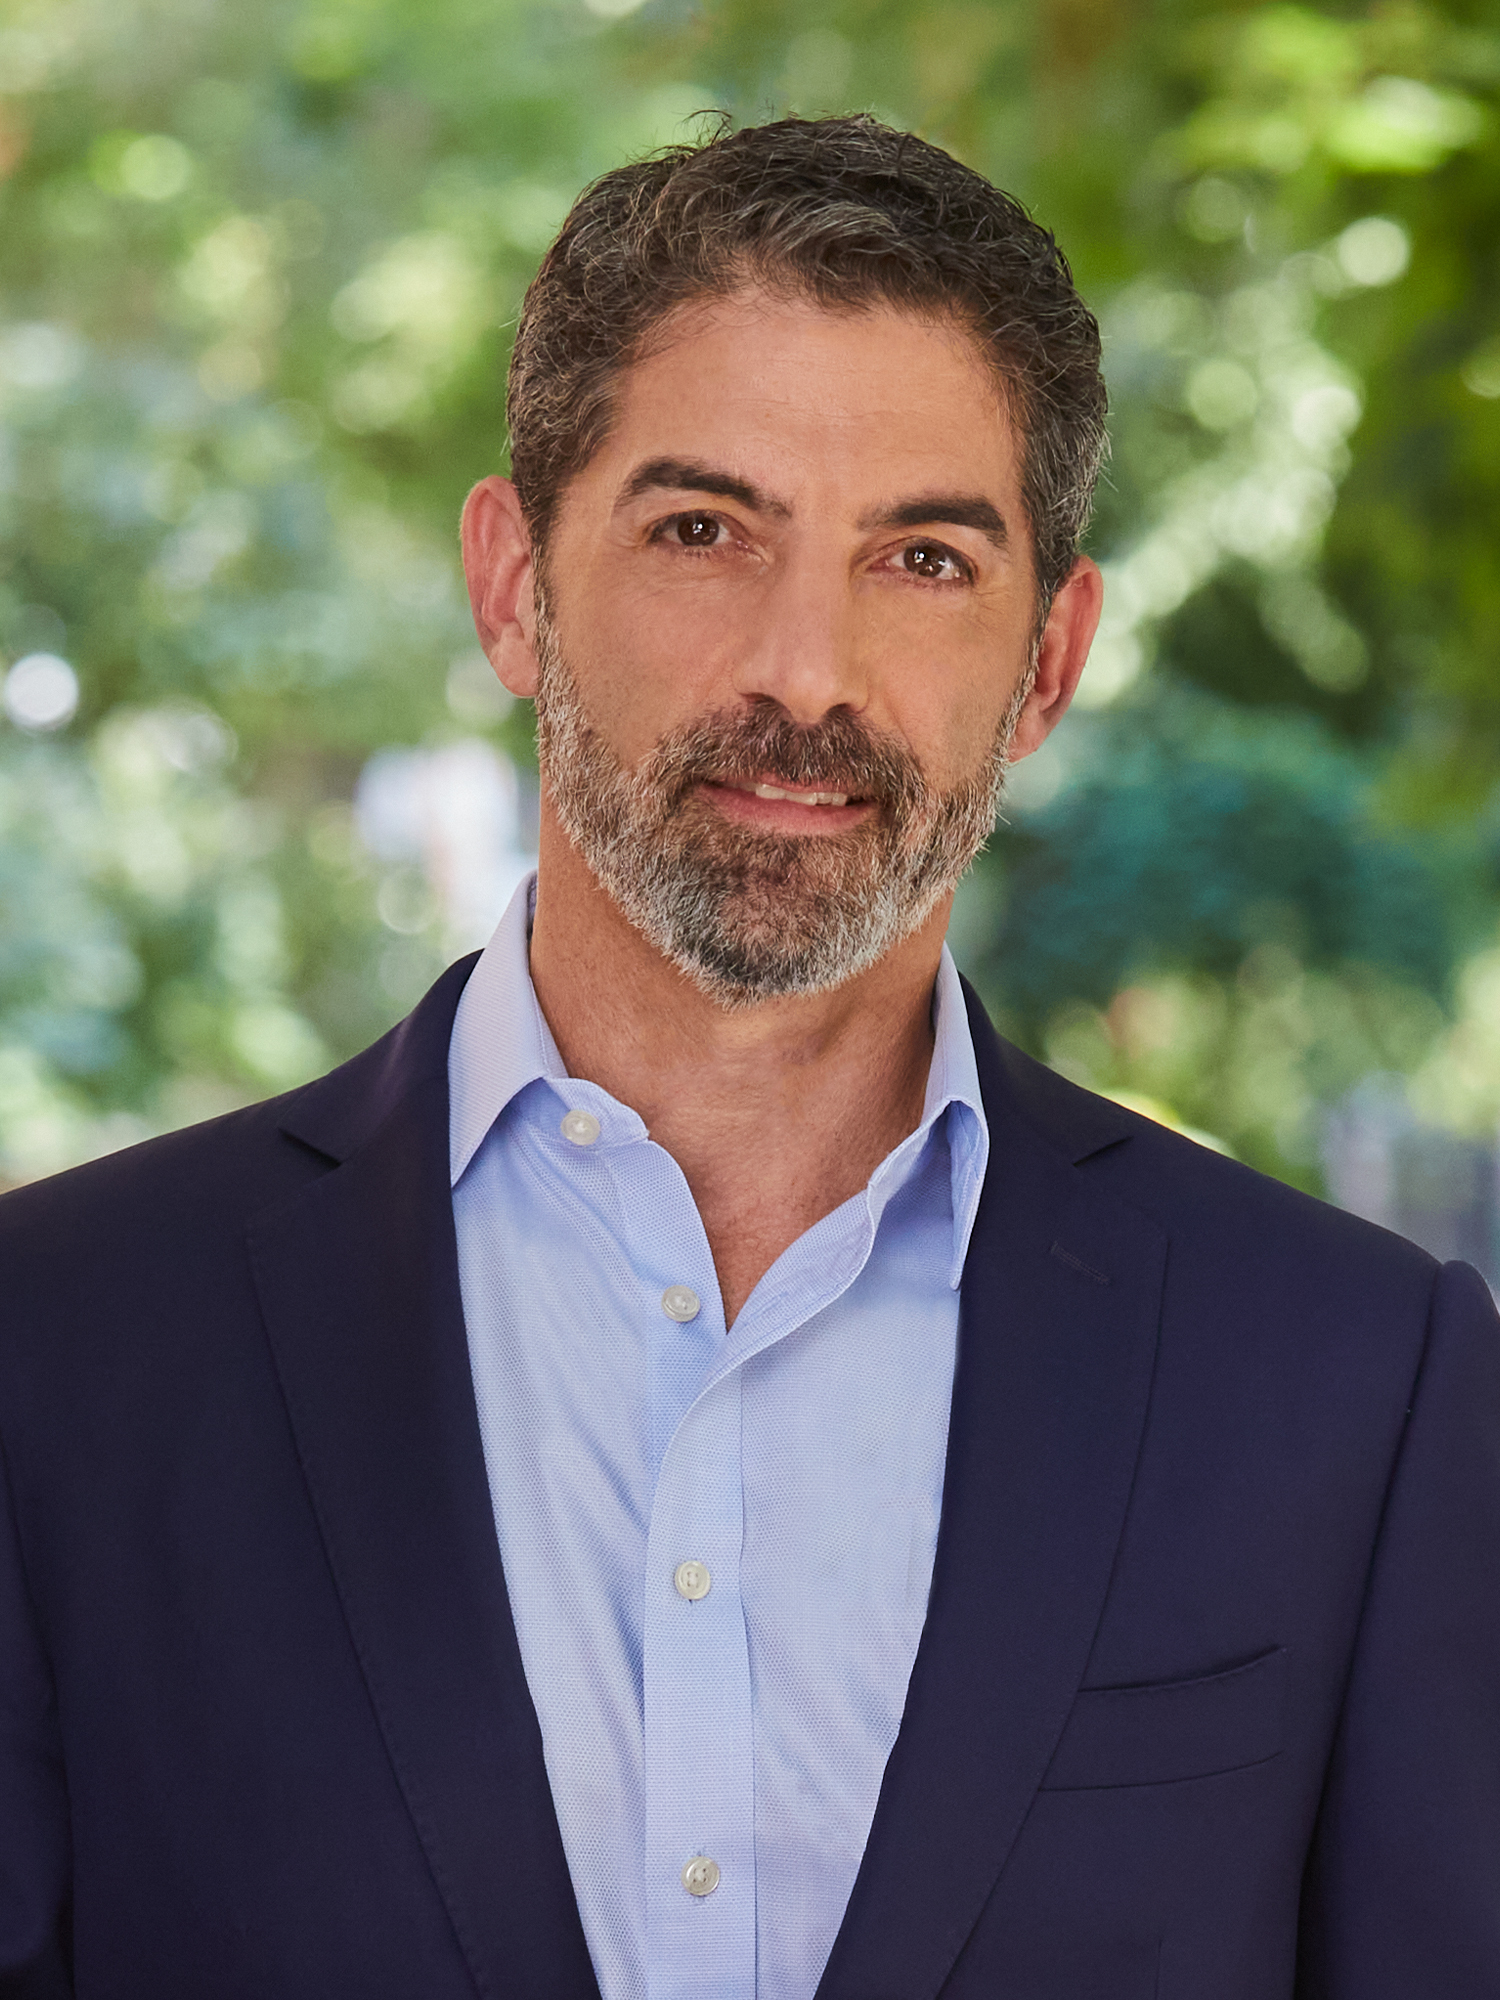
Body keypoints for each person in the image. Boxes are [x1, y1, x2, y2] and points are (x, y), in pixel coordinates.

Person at [0, 113, 1496, 2000]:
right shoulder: (55, 1354)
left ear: (1049, 663)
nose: (807, 669)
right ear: (515, 587)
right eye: (703, 531)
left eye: (924, 558)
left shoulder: (1357, 1386)